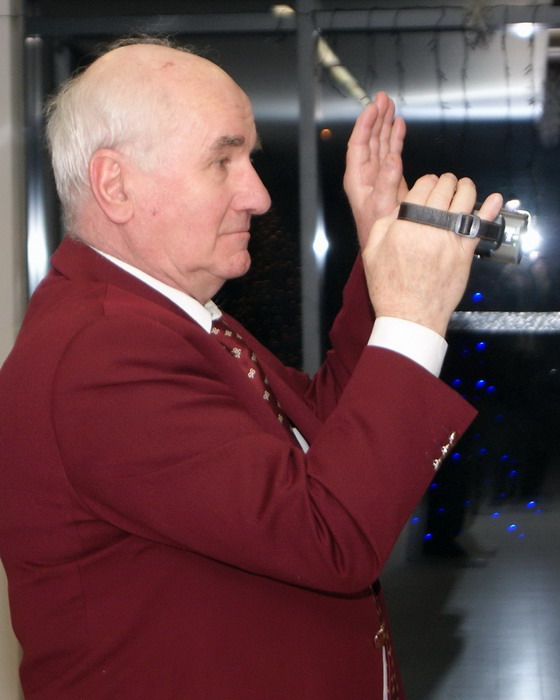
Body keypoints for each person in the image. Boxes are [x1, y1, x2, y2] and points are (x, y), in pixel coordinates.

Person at [0, 37, 502, 699]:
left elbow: (326, 430)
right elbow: (329, 535)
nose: (259, 196)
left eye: (250, 160)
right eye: (222, 160)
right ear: (115, 185)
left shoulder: (171, 319)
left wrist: (379, 250)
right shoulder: (102, 352)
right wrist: (412, 317)